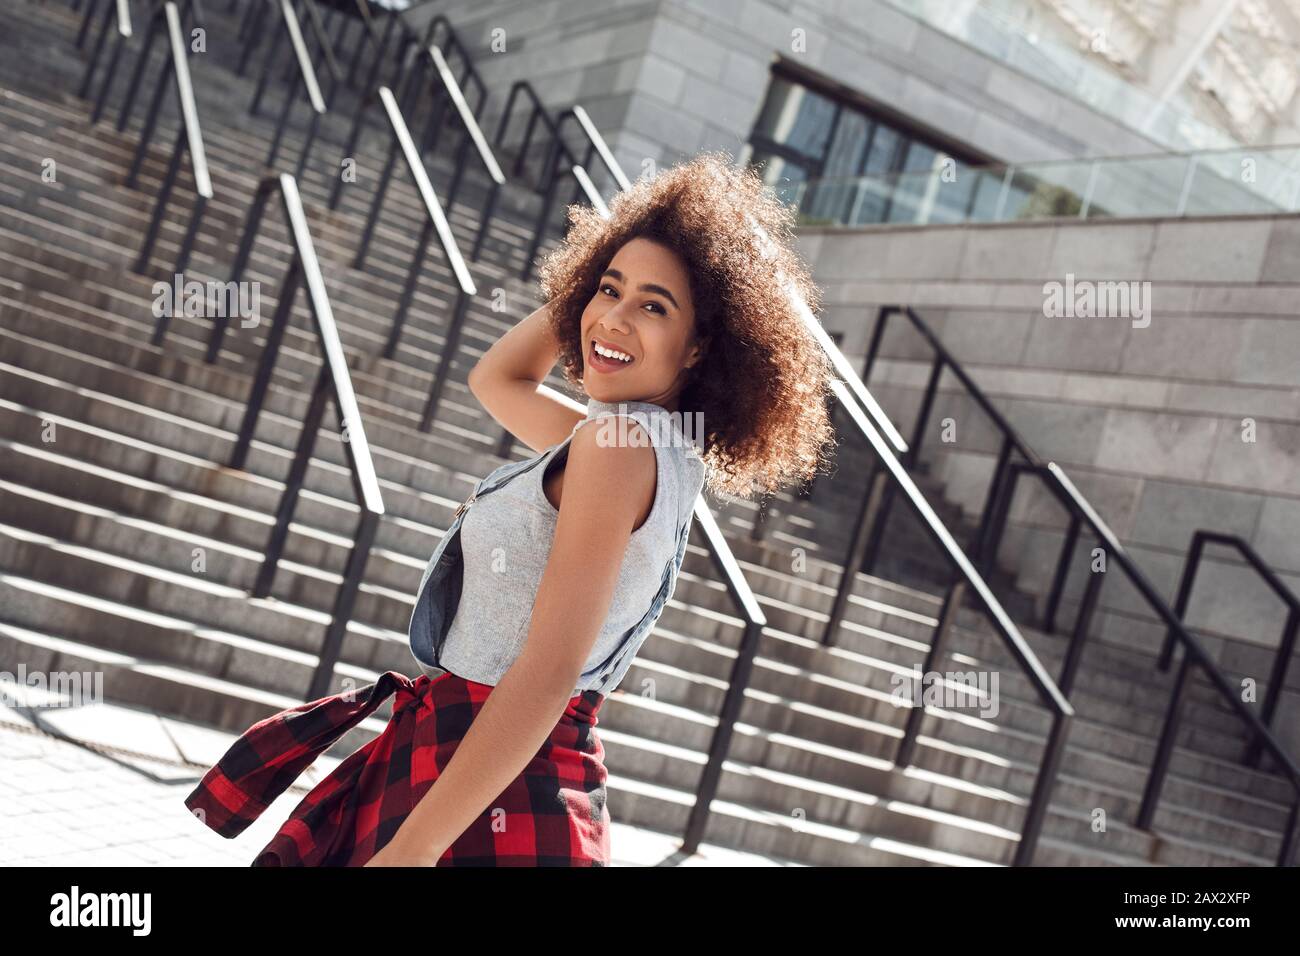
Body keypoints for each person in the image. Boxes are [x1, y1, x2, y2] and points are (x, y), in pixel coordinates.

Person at [185, 151, 837, 866]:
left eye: (655, 306)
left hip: (485, 782)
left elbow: (549, 670)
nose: (614, 319)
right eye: (608, 288)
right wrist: (587, 295)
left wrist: (415, 849)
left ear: (699, 349)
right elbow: (498, 378)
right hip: (481, 768)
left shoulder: (618, 450)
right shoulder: (642, 445)